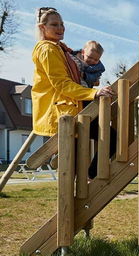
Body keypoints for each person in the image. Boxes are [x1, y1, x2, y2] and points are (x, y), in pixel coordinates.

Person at [32, 7, 115, 178]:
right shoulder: (48, 50)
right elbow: (62, 84)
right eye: (54, 24)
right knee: (108, 139)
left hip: (72, 105)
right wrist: (94, 93)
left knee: (105, 140)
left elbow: (76, 73)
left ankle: (90, 178)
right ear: (42, 27)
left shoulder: (60, 49)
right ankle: (90, 178)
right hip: (65, 109)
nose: (60, 28)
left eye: (62, 24)